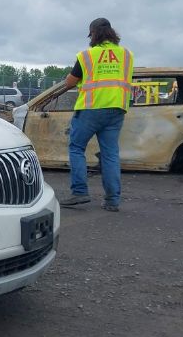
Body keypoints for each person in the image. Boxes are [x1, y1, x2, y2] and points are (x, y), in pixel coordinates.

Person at [56, 18, 134, 212]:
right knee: (110, 154)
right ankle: (112, 201)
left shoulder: (87, 56)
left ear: (93, 34)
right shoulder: (127, 55)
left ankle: (80, 192)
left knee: (76, 148)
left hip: (91, 109)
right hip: (117, 109)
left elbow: (71, 81)